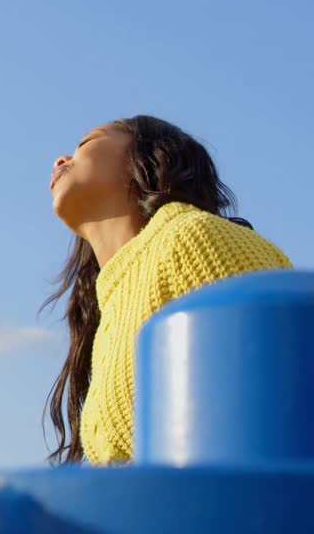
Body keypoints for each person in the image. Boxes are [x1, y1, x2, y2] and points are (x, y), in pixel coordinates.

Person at [42, 115, 292, 465]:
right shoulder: (112, 301)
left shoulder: (196, 237)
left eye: (85, 143)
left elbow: (277, 405)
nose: (60, 160)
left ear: (148, 156)